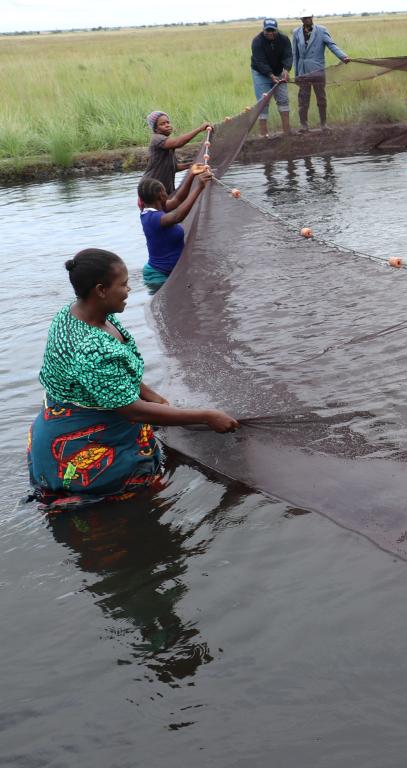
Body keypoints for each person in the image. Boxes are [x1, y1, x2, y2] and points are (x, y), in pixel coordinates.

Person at [27, 249, 239, 511]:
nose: (129, 289)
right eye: (123, 284)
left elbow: (117, 372)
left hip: (69, 421)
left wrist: (153, 397)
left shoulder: (81, 313)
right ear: (101, 290)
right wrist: (207, 416)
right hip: (85, 448)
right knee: (123, 514)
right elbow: (133, 411)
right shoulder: (90, 347)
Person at [137, 170, 211, 288]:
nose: (167, 194)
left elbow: (178, 200)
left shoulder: (156, 210)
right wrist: (199, 187)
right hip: (159, 277)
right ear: (161, 196)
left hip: (170, 273)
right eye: (165, 192)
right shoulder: (152, 218)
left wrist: (191, 175)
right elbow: (178, 216)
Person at [291, 11, 350, 133]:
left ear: (312, 17)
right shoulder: (296, 32)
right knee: (303, 99)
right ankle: (304, 126)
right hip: (303, 71)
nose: (307, 20)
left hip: (318, 69)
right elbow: (295, 55)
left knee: (321, 98)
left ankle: (324, 124)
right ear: (301, 19)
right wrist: (296, 74)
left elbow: (331, 45)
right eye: (304, 18)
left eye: (309, 17)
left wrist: (343, 56)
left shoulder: (321, 30)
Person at [142, 112, 210, 195]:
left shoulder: (167, 144)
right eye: (162, 124)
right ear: (156, 129)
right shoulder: (157, 139)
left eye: (168, 122)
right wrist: (199, 129)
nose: (167, 125)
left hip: (164, 191)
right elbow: (177, 143)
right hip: (150, 190)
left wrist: (193, 165)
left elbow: (174, 167)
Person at [251, 18, 293, 138]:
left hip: (280, 71)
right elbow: (260, 61)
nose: (270, 33)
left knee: (283, 100)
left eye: (272, 30)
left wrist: (286, 70)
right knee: (263, 102)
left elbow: (288, 55)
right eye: (267, 30)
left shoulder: (284, 39)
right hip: (261, 74)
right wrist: (270, 75)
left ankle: (287, 131)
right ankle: (264, 134)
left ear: (277, 30)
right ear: (263, 30)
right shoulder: (257, 41)